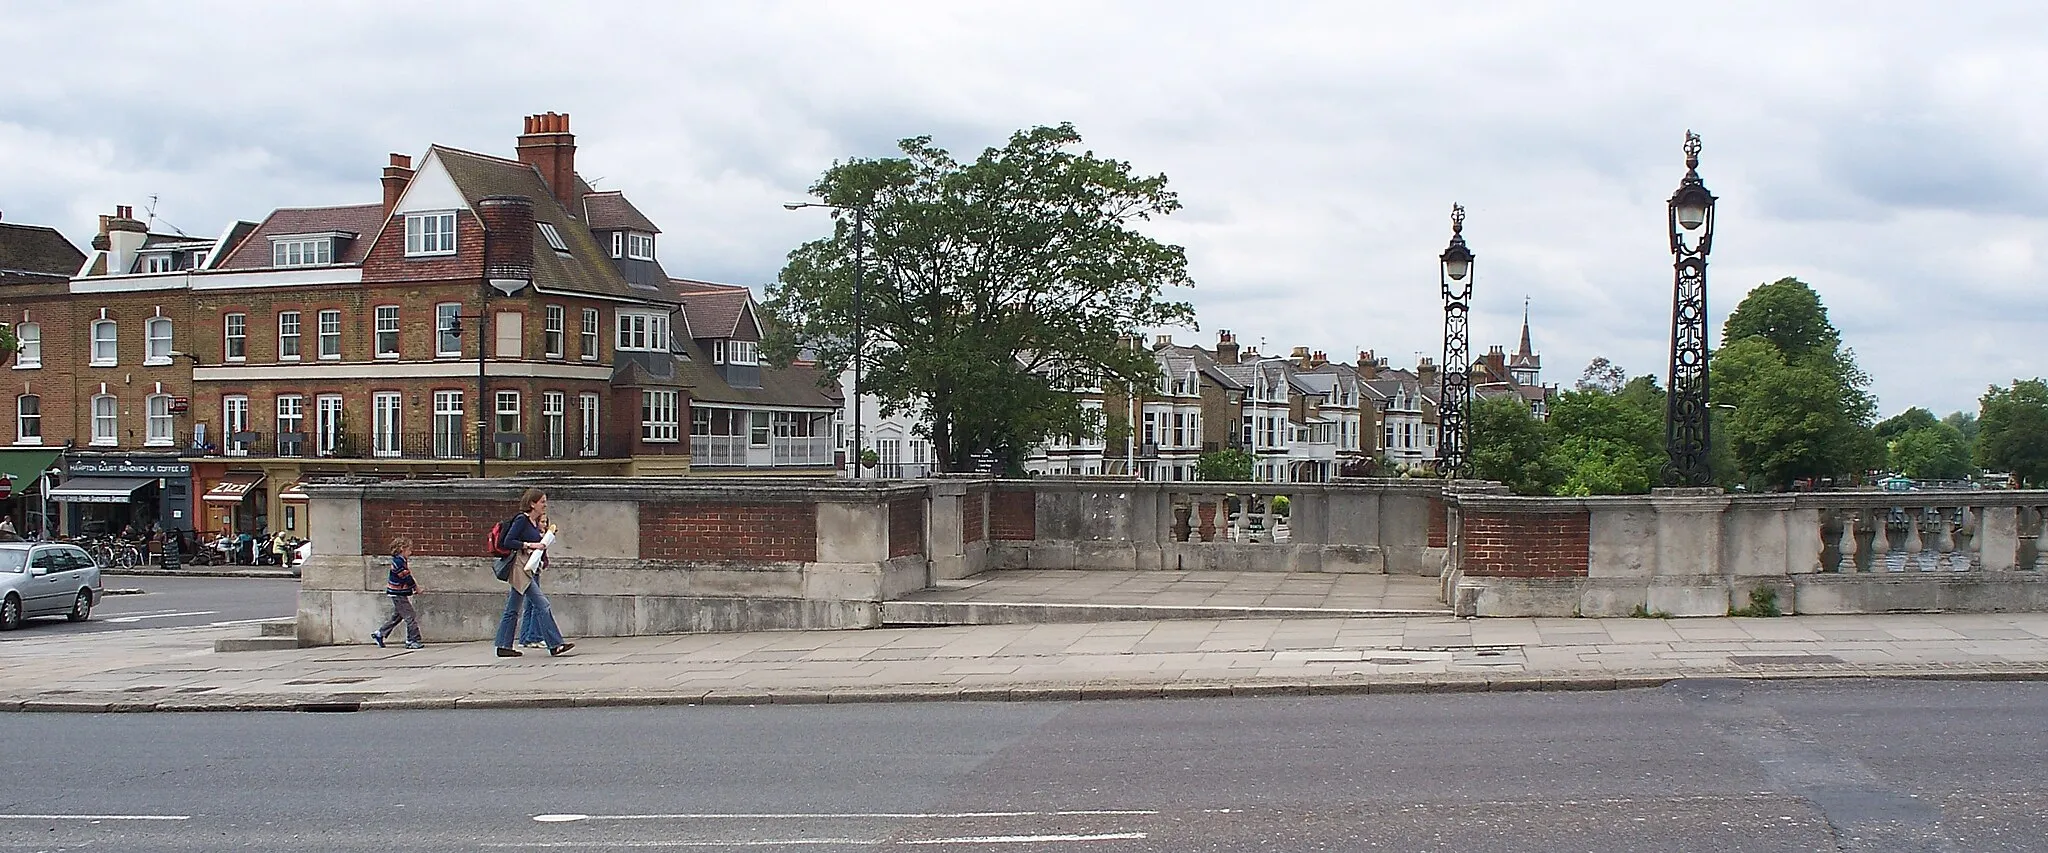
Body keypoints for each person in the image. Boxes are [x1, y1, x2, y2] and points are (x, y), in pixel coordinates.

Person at [493, 488, 572, 658]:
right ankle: (555, 644)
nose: (545, 505)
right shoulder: (522, 519)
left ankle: (503, 645)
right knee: (542, 604)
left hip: (529, 567)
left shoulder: (534, 523)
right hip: (521, 569)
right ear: (532, 504)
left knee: (512, 608)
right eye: (542, 502)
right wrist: (530, 545)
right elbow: (508, 541)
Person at [371, 536, 423, 649]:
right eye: (409, 549)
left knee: (397, 617)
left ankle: (380, 633)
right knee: (410, 617)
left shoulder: (400, 561)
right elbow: (406, 577)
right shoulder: (398, 562)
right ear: (402, 549)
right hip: (398, 593)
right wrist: (415, 588)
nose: (411, 552)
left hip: (398, 593)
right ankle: (412, 640)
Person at [517, 509, 552, 649]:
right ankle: (534, 636)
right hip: (530, 569)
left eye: (545, 522)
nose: (544, 525)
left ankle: (526, 637)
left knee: (530, 604)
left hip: (534, 569)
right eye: (542, 522)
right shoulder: (533, 534)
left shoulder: (541, 535)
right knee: (539, 604)